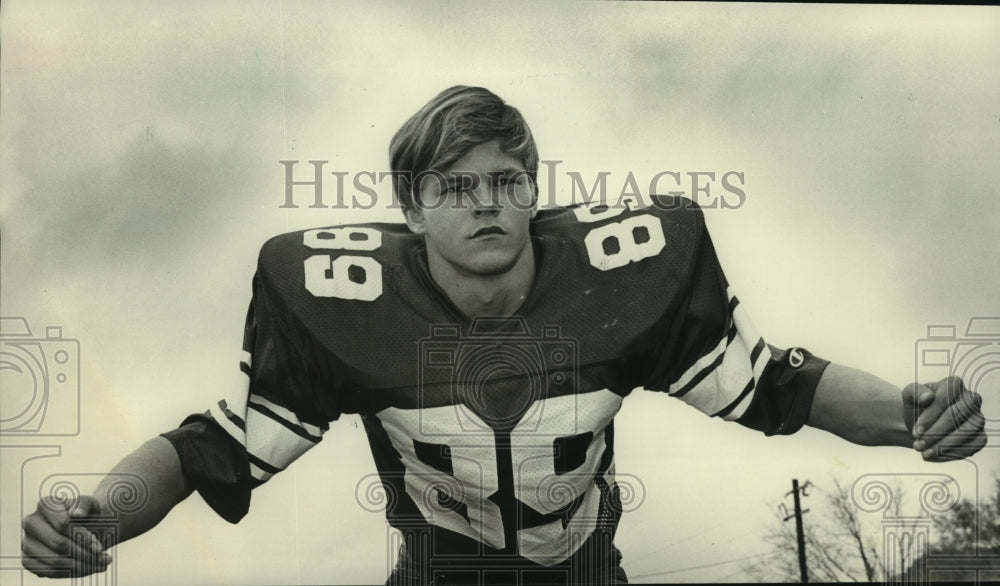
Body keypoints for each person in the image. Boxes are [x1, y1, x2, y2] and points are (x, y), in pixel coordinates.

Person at [21, 86, 987, 585]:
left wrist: (912, 420)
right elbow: (207, 453)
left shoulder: (623, 283)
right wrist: (99, 517)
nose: (487, 203)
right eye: (455, 185)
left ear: (534, 185)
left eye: (506, 180)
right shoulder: (346, 305)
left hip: (584, 571)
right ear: (409, 207)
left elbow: (782, 386)